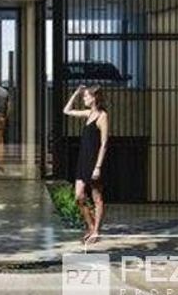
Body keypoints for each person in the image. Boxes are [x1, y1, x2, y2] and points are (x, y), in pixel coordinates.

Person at [63, 84, 109, 244]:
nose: (84, 98)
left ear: (94, 98)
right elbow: (67, 110)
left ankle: (96, 232)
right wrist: (76, 93)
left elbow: (104, 143)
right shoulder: (88, 113)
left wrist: (98, 167)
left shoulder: (102, 116)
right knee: (79, 196)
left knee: (97, 198)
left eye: (86, 96)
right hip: (83, 160)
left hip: (94, 162)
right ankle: (90, 226)